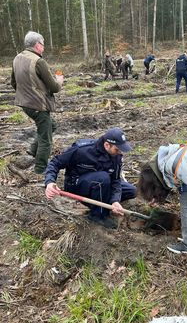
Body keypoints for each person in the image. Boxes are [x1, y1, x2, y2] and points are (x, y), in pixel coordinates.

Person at [45, 128, 136, 228]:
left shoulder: (116, 157)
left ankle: (103, 201)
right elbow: (55, 163)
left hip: (100, 184)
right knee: (102, 178)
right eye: (117, 149)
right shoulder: (81, 150)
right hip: (76, 186)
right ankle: (98, 216)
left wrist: (115, 200)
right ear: (106, 145)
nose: (120, 153)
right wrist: (50, 182)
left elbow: (115, 181)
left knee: (131, 190)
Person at [11, 31, 64, 174]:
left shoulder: (17, 58)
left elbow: (13, 83)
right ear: (36, 45)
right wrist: (59, 81)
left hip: (25, 104)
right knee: (46, 139)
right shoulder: (38, 61)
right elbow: (54, 87)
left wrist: (26, 94)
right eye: (43, 44)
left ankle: (32, 150)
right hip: (37, 106)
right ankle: (40, 169)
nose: (44, 47)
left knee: (51, 125)